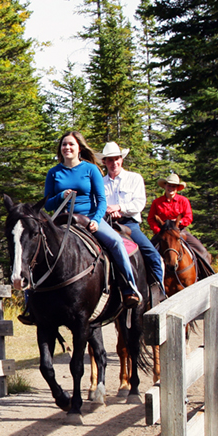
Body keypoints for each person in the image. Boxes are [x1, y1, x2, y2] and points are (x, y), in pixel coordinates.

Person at [43, 131, 141, 307]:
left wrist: (96, 220)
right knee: (37, 247)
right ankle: (32, 301)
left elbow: (101, 200)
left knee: (116, 242)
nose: (67, 147)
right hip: (61, 219)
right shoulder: (53, 172)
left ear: (79, 147)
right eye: (64, 144)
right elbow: (48, 205)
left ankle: (129, 288)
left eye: (71, 144)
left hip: (87, 217)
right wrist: (61, 196)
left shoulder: (90, 169)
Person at [99, 141, 164, 293]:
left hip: (129, 224)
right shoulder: (100, 182)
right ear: (104, 162)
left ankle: (158, 293)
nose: (114, 163)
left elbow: (139, 203)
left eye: (116, 159)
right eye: (110, 159)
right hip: (106, 223)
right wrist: (108, 211)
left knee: (153, 256)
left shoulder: (134, 178)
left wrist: (119, 208)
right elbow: (97, 203)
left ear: (121, 159)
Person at [148, 172, 214, 276]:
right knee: (147, 253)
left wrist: (178, 224)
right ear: (165, 186)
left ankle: (207, 275)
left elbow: (188, 217)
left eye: (174, 186)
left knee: (202, 251)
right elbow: (151, 219)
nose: (171, 188)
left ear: (177, 188)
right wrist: (158, 230)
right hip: (162, 233)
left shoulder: (183, 201)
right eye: (169, 185)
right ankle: (148, 281)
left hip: (180, 231)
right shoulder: (157, 202)